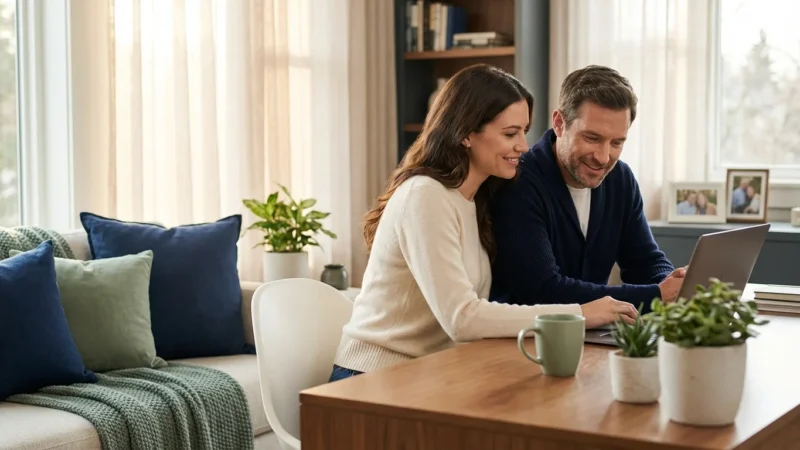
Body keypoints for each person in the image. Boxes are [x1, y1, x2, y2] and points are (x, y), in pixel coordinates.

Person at [328, 64, 639, 383]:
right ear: (466, 133)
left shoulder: (475, 199)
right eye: (510, 133)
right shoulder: (425, 196)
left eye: (524, 131)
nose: (524, 146)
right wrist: (582, 313)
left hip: (432, 373)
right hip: (371, 377)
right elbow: (462, 318)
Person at [489, 65, 684, 312]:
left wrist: (672, 283)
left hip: (591, 334)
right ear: (559, 123)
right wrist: (657, 295)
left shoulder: (620, 179)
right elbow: (541, 289)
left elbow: (644, 260)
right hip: (523, 340)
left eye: (616, 142)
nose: (603, 157)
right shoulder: (518, 180)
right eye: (592, 138)